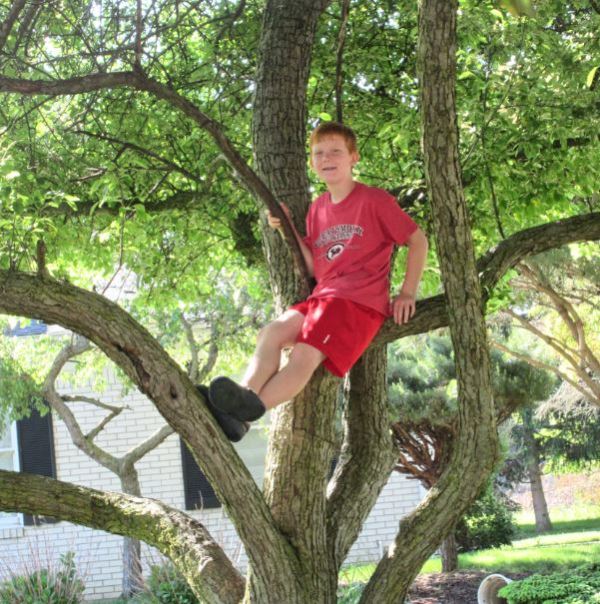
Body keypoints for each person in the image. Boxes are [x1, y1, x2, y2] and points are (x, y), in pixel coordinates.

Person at [202, 121, 428, 441]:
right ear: (311, 162)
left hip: (355, 303)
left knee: (304, 355)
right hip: (322, 298)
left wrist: (407, 293)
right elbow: (313, 266)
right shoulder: (318, 208)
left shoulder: (374, 201)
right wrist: (287, 227)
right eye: (319, 153)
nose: (326, 158)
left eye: (335, 151)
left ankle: (247, 413)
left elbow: (418, 240)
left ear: (354, 157)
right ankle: (241, 401)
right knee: (271, 333)